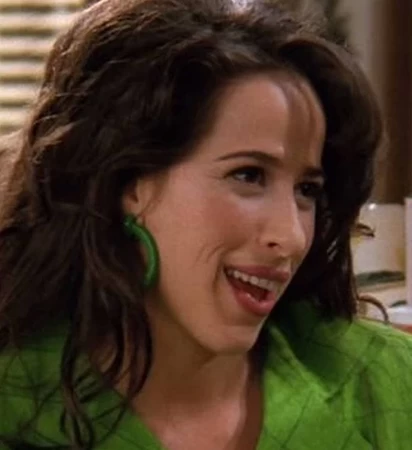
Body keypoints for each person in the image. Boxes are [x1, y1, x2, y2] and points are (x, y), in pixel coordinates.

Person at [0, 0, 411, 449]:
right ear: (129, 183)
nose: (292, 237)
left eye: (307, 190)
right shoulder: (15, 401)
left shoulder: (385, 382)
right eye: (248, 175)